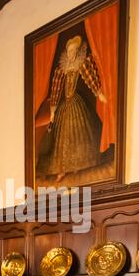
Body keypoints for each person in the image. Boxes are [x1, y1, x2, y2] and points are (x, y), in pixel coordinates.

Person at [36, 35, 106, 182]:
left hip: (76, 103)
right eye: (69, 50)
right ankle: (61, 170)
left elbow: (90, 77)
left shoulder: (81, 64)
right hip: (64, 106)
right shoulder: (62, 69)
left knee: (78, 136)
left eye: (73, 50)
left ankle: (76, 167)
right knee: (61, 141)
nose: (71, 53)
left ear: (77, 50)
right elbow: (55, 89)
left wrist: (99, 93)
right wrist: (53, 110)